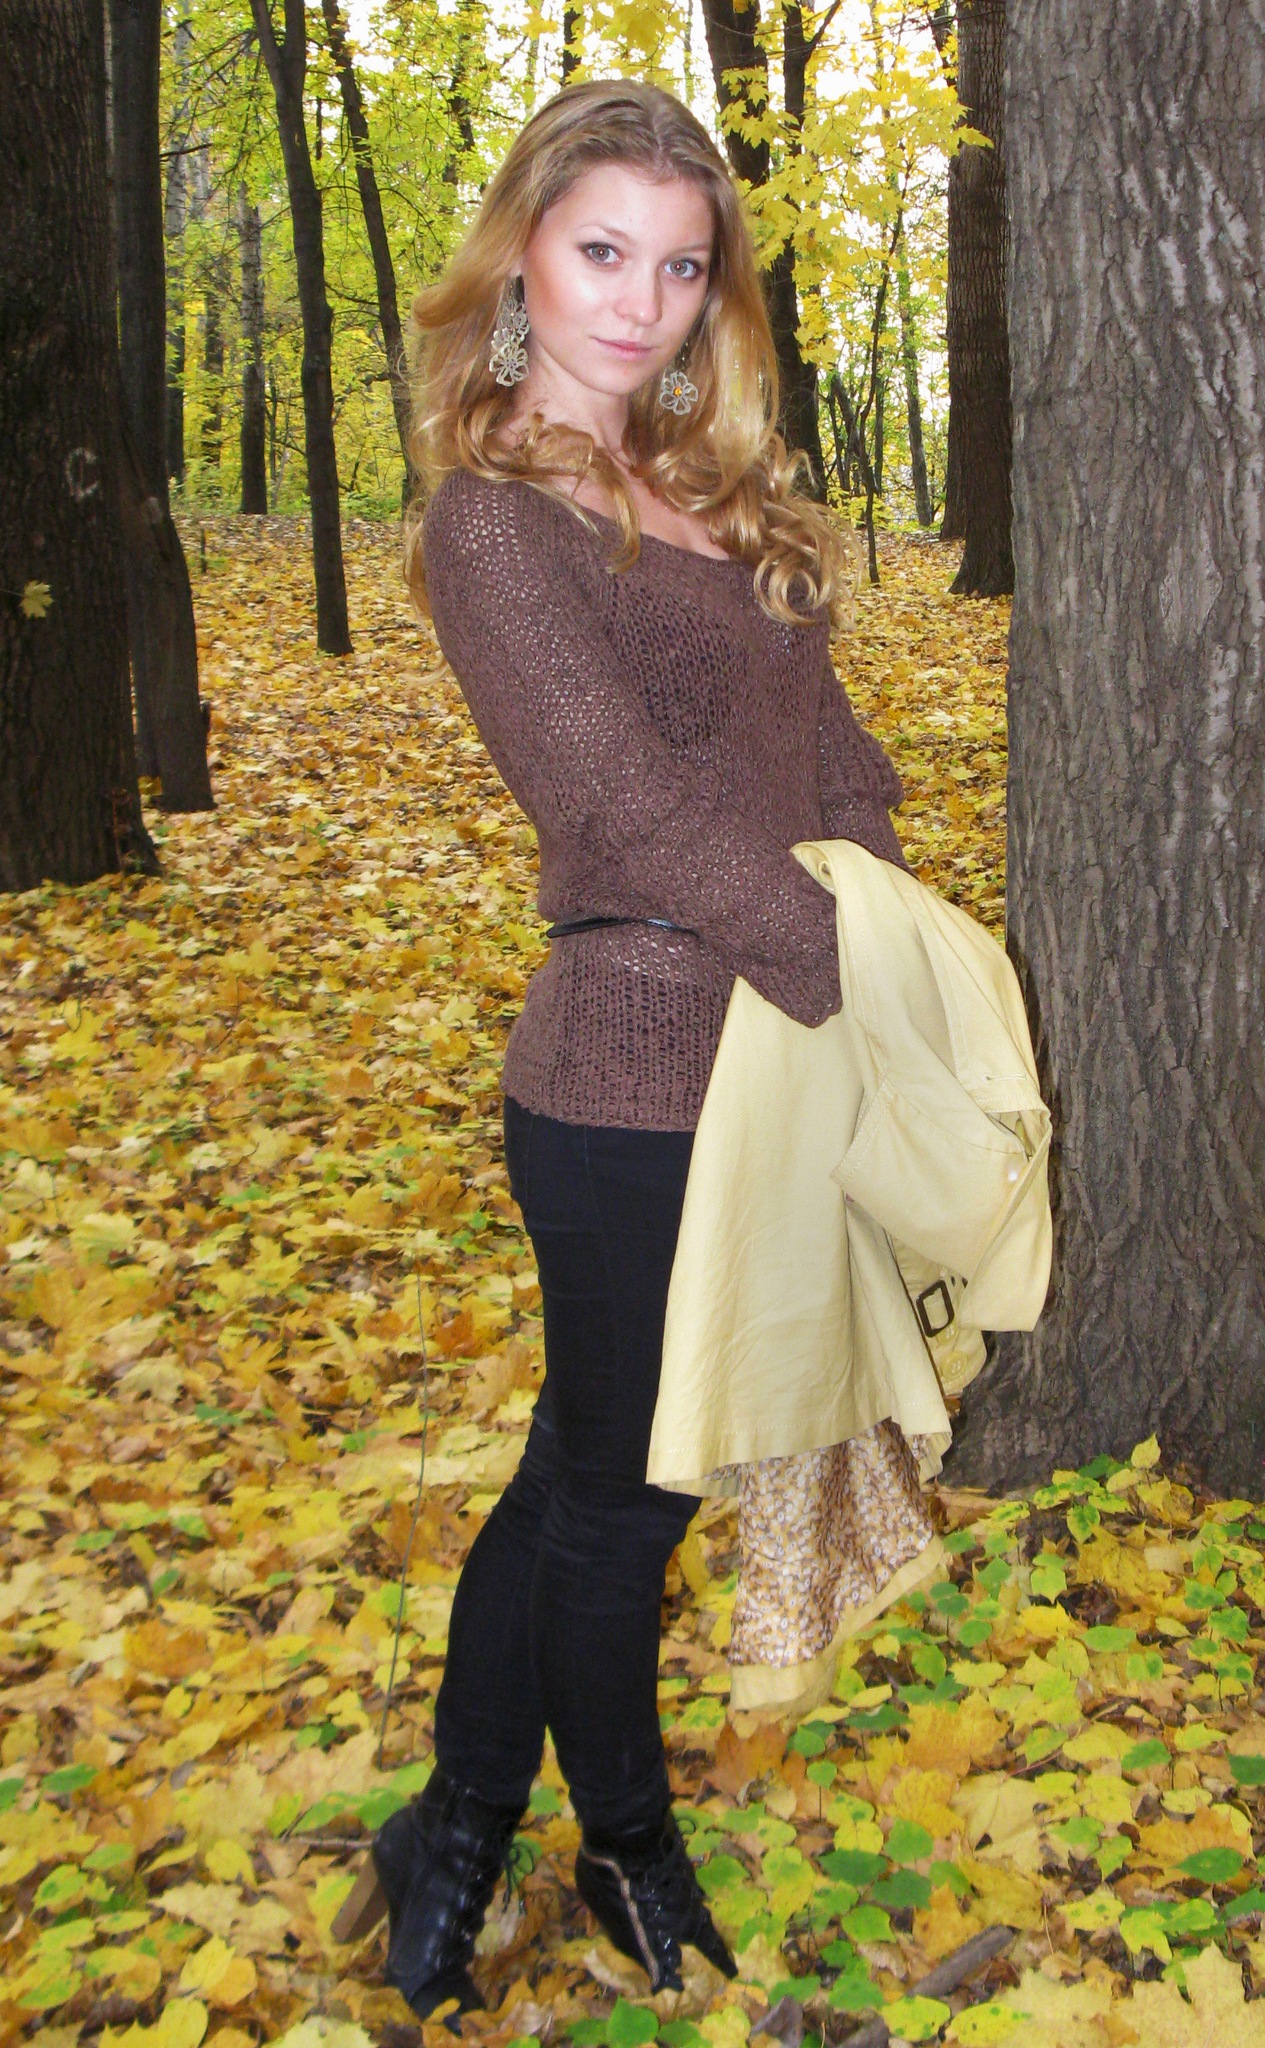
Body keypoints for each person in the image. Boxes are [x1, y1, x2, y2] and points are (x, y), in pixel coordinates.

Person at [352, 74, 910, 2023]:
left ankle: (451, 1824)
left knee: (569, 1477)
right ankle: (626, 1848)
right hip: (625, 1078)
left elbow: (835, 759)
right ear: (520, 253)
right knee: (627, 1501)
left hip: (775, 1057)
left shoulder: (721, 499)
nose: (640, 302)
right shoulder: (496, 523)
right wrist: (845, 959)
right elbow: (621, 809)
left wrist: (879, 912)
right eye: (602, 252)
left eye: (680, 268)